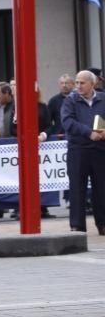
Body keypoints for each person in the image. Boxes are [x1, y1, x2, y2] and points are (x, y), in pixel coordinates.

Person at [61, 70, 105, 235]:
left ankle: (102, 223)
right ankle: (77, 226)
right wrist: (88, 132)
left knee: (101, 188)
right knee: (77, 188)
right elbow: (68, 122)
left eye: (82, 83)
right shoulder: (70, 101)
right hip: (78, 150)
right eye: (77, 82)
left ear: (93, 84)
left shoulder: (103, 99)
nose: (78, 86)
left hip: (100, 149)